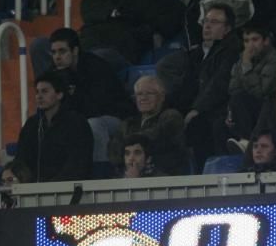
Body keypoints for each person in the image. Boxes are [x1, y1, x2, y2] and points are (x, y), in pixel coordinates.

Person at [158, 3, 241, 171]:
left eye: (215, 22)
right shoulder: (195, 54)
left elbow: (219, 84)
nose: (208, 26)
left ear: (227, 29)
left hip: (217, 109)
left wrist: (196, 109)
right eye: (206, 21)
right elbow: (181, 83)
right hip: (194, 106)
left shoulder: (231, 51)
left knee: (198, 125)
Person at [45, 28, 135, 163]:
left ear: (75, 51)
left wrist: (70, 84)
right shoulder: (54, 73)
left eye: (62, 51)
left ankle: (101, 173)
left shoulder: (96, 67)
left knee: (93, 125)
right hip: (80, 119)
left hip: (115, 117)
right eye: (54, 52)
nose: (57, 57)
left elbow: (96, 108)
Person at [15, 71, 94, 182]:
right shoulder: (31, 125)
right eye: (37, 92)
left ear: (59, 95)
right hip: (33, 190)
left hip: (66, 189)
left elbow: (78, 162)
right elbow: (21, 160)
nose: (39, 96)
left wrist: (53, 185)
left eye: (45, 91)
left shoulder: (77, 122)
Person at [113, 75, 190, 175]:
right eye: (139, 94)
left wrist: (129, 149)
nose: (143, 98)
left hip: (165, 176)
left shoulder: (171, 116)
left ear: (162, 96)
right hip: (130, 176)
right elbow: (113, 150)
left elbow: (154, 139)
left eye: (149, 93)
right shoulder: (128, 123)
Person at [228, 22, 276, 102]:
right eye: (246, 41)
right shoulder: (242, 59)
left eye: (255, 39)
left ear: (266, 41)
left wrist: (247, 67)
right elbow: (233, 88)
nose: (250, 45)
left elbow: (262, 94)